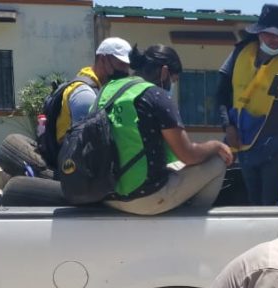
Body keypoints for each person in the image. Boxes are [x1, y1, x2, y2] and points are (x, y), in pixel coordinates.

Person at [98, 45, 233, 215]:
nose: (172, 85)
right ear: (164, 72)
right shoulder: (156, 96)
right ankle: (192, 223)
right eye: (174, 79)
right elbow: (188, 155)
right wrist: (215, 146)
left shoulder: (107, 90)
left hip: (107, 196)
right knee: (217, 162)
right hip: (143, 198)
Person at [216, 3, 278, 206]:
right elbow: (221, 95)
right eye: (269, 33)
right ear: (259, 32)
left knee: (270, 206)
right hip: (244, 144)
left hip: (276, 150)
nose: (275, 39)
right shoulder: (239, 54)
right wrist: (227, 126)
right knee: (252, 203)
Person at [53, 37, 133, 145]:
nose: (125, 71)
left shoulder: (100, 87)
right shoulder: (85, 95)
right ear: (102, 59)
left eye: (127, 66)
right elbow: (85, 143)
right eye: (121, 64)